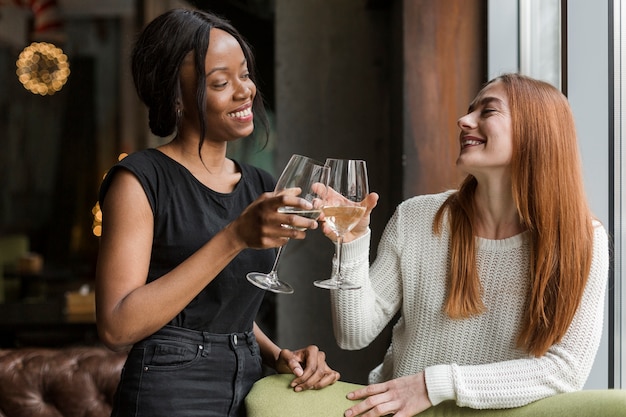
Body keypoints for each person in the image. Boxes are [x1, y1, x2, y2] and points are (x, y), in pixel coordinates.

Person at [95, 8, 339, 417]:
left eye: (244, 75)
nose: (245, 91)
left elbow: (220, 304)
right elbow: (116, 327)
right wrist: (234, 237)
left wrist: (277, 355)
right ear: (177, 98)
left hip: (248, 380)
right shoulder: (139, 181)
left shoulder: (260, 184)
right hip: (172, 387)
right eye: (221, 83)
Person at [322, 73, 609, 417]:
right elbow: (354, 334)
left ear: (536, 133)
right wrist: (351, 243)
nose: (464, 120)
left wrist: (434, 384)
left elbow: (565, 370)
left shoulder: (582, 241)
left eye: (487, 112)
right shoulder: (416, 218)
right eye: (470, 110)